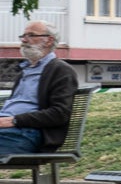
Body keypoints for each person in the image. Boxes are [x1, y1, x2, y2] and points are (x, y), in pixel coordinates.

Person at [0, 21, 78, 157]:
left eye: (31, 35)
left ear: (49, 40)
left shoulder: (61, 70)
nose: (24, 40)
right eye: (23, 36)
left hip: (27, 133)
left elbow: (59, 113)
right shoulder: (25, 71)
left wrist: (14, 120)